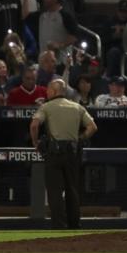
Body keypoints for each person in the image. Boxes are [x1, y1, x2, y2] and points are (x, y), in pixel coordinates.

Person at [29, 78, 98, 229]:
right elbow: (92, 127)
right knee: (72, 190)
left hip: (54, 153)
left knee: (55, 192)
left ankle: (59, 225)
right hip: (72, 153)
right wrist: (80, 138)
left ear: (54, 91)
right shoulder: (77, 107)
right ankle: (74, 224)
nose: (46, 92)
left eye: (48, 89)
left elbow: (34, 125)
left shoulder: (47, 107)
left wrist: (35, 143)